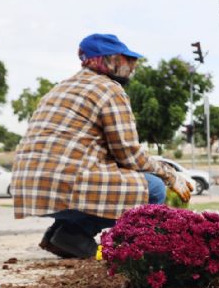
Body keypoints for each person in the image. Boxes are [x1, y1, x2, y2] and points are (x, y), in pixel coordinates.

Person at [11, 33, 193, 259]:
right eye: (127, 60)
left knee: (104, 181)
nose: (133, 66)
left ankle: (63, 234)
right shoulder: (109, 89)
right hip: (62, 184)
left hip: (29, 188)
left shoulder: (60, 88)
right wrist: (170, 175)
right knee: (154, 188)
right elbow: (129, 155)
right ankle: (130, 252)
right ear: (108, 60)